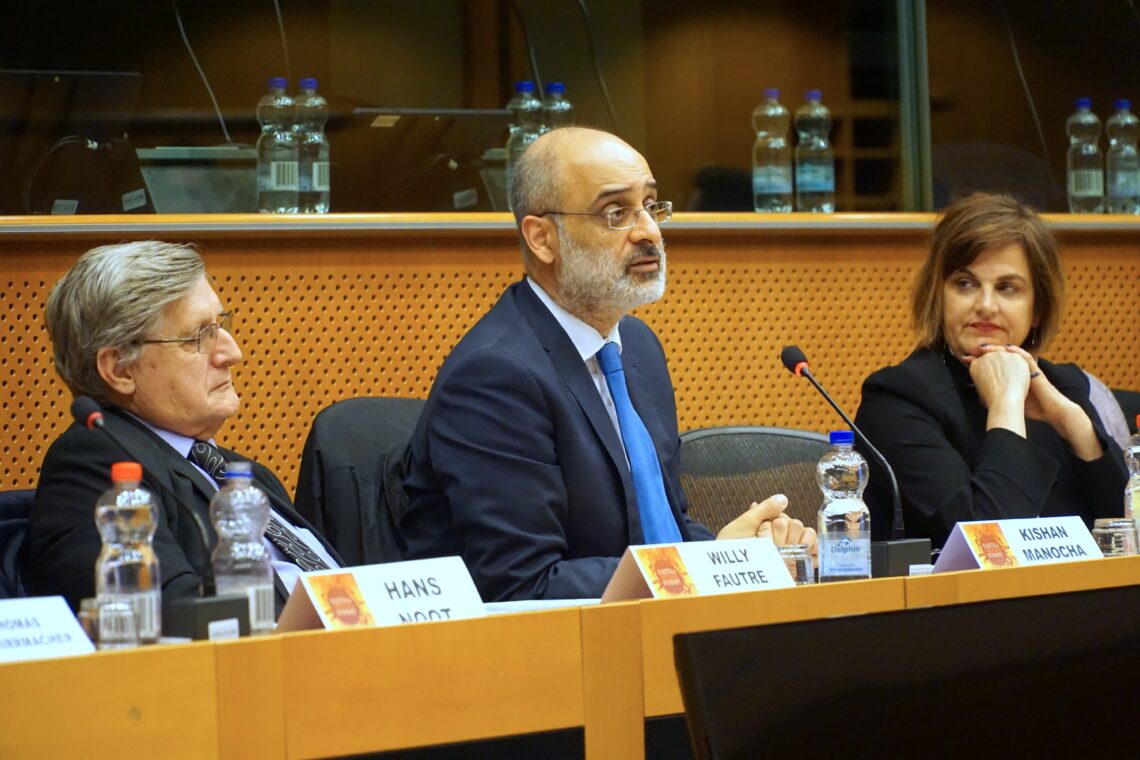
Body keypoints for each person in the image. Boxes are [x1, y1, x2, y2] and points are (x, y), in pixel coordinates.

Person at [401, 127, 816, 601]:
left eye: (651, 205)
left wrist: (743, 556)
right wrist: (703, 566)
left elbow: (663, 531)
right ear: (542, 238)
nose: (649, 231)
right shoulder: (495, 377)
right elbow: (523, 584)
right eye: (616, 212)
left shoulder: (636, 347)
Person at [25, 241, 340, 621]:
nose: (232, 353)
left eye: (221, 326)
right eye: (199, 336)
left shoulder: (243, 474)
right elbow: (168, 617)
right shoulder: (95, 468)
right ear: (120, 369)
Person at [854, 192, 1128, 550]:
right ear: (939, 296)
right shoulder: (897, 401)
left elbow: (1128, 540)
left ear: (1037, 309)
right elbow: (991, 550)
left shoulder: (1066, 387)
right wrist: (1006, 406)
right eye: (965, 284)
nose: (985, 305)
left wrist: (1074, 424)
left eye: (1007, 288)